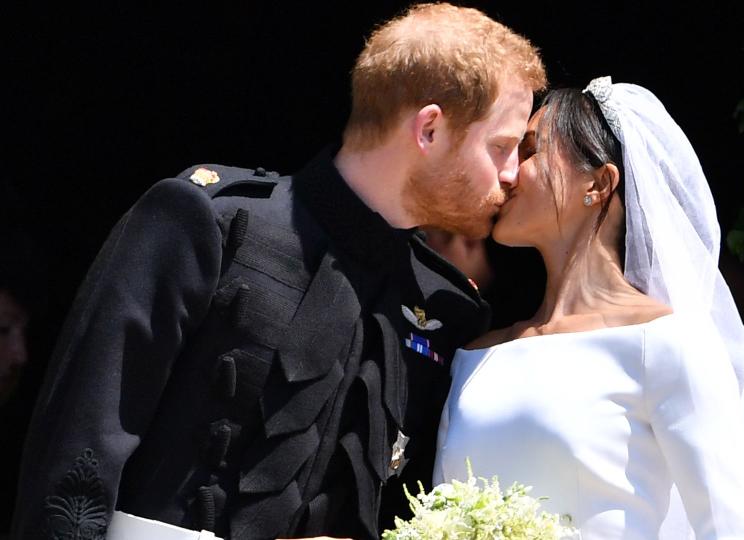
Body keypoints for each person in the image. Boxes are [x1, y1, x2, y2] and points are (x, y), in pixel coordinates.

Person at [13, 4, 546, 540]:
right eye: (500, 146)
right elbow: (74, 463)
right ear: (429, 129)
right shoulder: (209, 224)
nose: (510, 175)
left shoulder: (449, 309)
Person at [434, 78, 744, 539]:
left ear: (599, 184)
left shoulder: (665, 344)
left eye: (531, 150)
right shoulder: (476, 355)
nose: (509, 172)